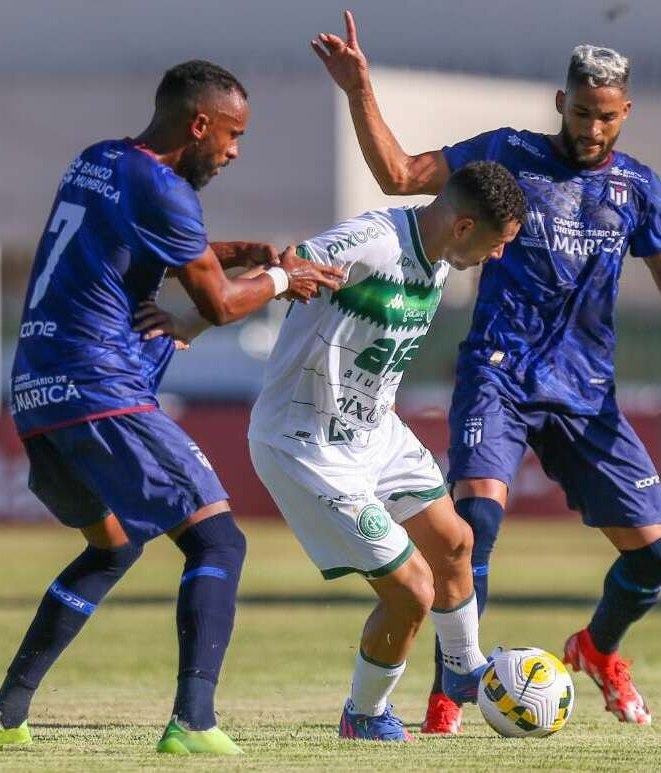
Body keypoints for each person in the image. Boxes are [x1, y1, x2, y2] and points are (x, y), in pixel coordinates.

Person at [311, 11, 661, 730]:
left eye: (607, 116)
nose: (593, 129)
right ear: (560, 103)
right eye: (581, 113)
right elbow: (399, 175)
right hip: (499, 376)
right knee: (475, 523)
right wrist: (360, 88)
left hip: (584, 395)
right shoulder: (507, 154)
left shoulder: (638, 188)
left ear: (626, 112)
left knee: (657, 556)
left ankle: (598, 648)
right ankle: (449, 691)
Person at [0, 60, 343, 755]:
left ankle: (3, 714)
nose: (233, 152)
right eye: (232, 135)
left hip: (36, 392)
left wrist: (230, 252)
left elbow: (142, 247)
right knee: (219, 539)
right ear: (199, 124)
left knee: (112, 546)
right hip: (100, 385)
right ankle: (193, 722)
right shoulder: (166, 190)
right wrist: (283, 276)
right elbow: (218, 304)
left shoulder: (97, 160)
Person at [142, 161, 521, 740]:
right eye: (497, 245)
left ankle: (464, 669)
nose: (496, 258)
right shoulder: (373, 241)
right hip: (305, 443)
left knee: (456, 543)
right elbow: (287, 265)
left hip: (375, 431)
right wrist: (192, 321)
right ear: (466, 226)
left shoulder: (441, 261)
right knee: (413, 592)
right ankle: (363, 715)